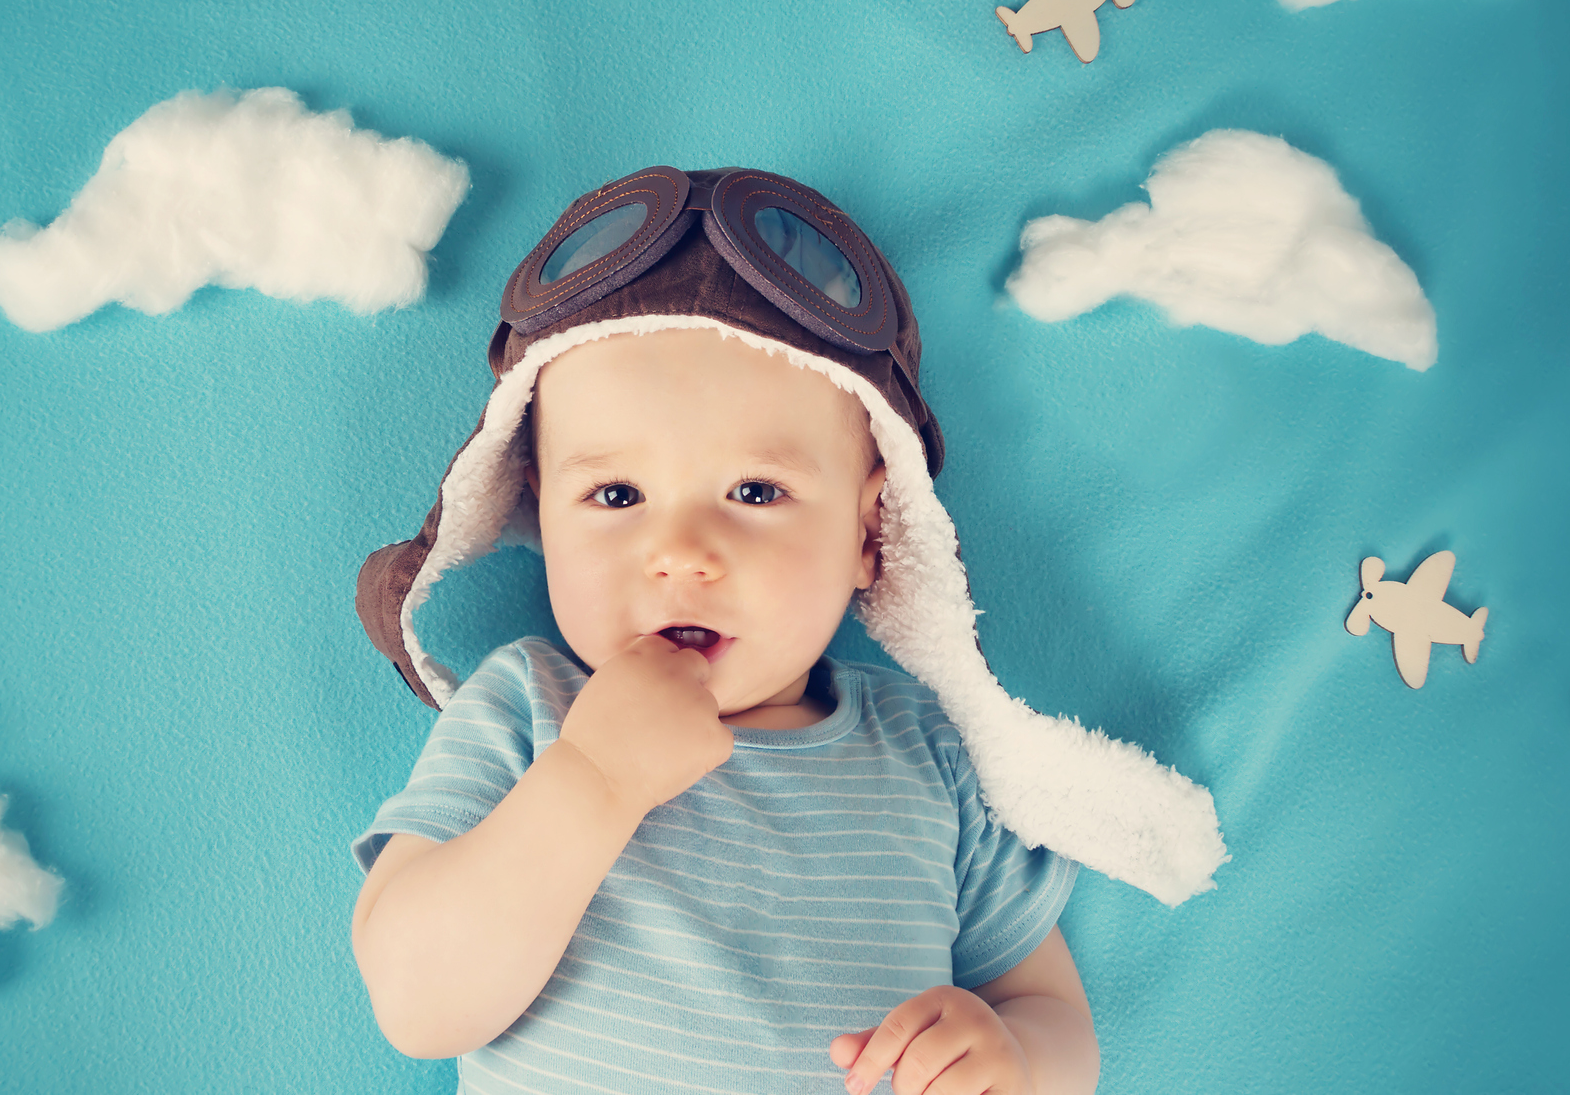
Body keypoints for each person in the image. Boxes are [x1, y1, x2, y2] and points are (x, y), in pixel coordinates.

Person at [348, 166, 1226, 1093]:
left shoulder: (931, 757)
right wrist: (595, 781)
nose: (680, 551)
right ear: (539, 514)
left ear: (867, 535)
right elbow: (416, 1003)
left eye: (756, 492)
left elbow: (1051, 1017)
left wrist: (1010, 1058)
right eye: (616, 495)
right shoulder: (529, 710)